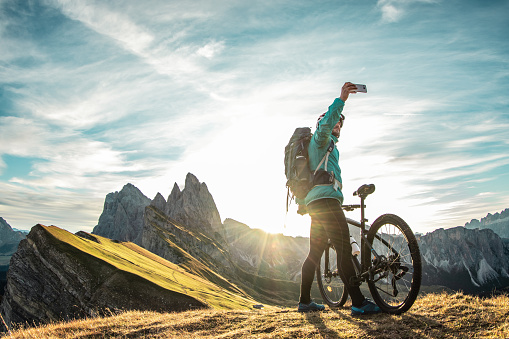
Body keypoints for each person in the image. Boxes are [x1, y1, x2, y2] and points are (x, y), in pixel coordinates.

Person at [297, 82, 382, 316]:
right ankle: (358, 302)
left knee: (314, 254)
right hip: (325, 202)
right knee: (344, 248)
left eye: (340, 123)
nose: (338, 125)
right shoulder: (320, 140)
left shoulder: (330, 148)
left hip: (318, 203)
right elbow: (325, 124)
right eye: (336, 121)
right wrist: (341, 99)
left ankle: (304, 301)